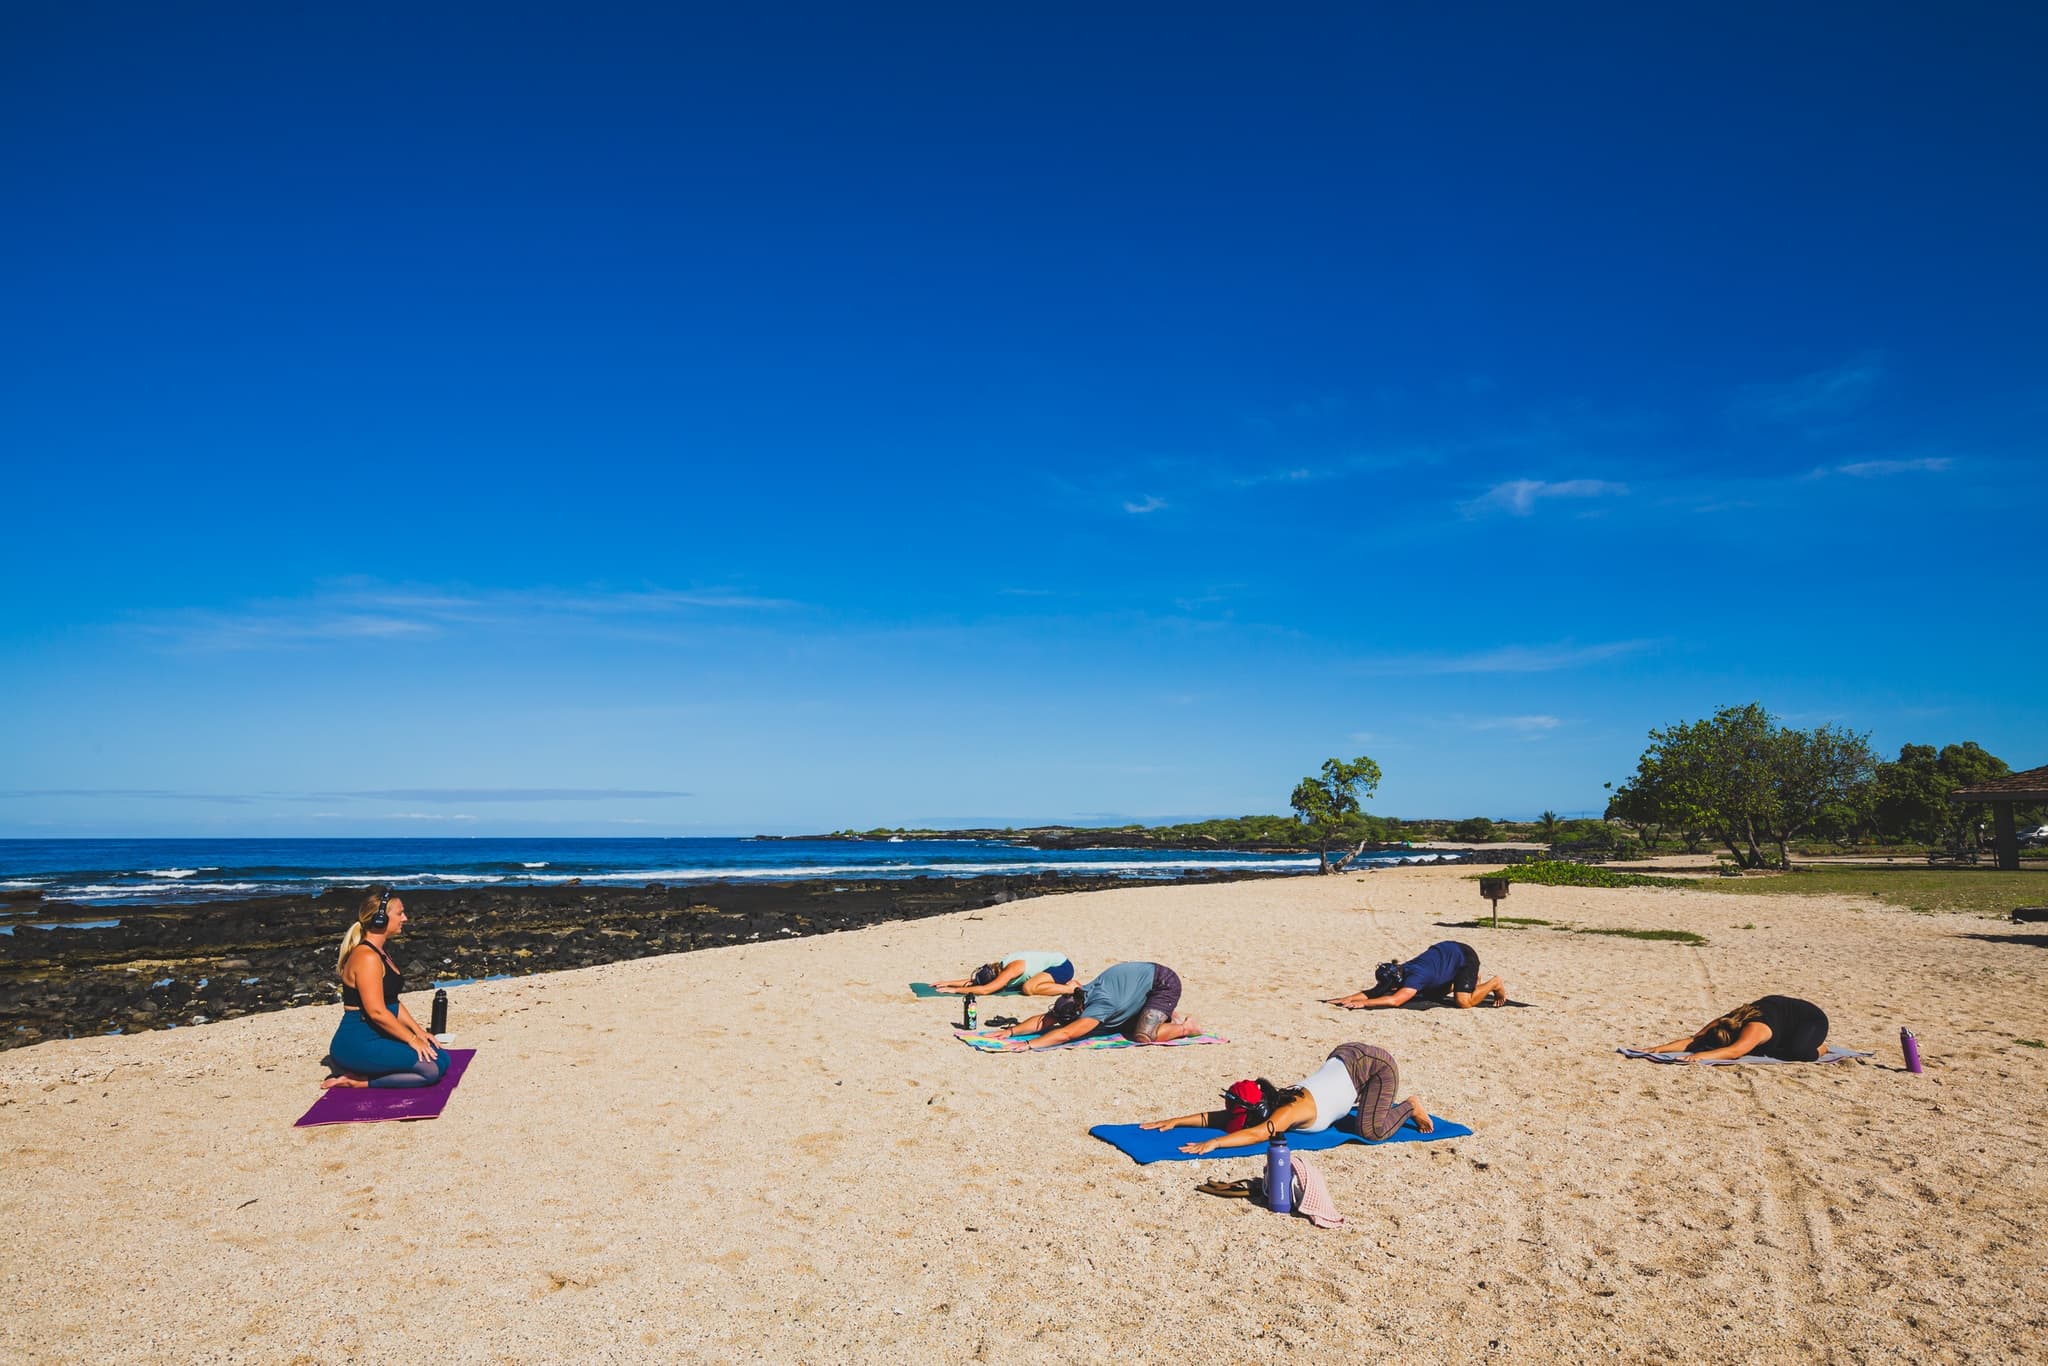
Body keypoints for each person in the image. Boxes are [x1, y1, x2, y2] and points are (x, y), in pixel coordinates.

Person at [1140, 1043, 1432, 1153]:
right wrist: (1176, 1121)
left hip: (1375, 1067)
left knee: (1371, 1131)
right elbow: (1223, 1117)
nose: (1242, 1123)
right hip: (1346, 1056)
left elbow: (1257, 1134)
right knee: (1361, 1109)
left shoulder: (1287, 1111)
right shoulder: (1273, 1098)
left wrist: (1216, 1142)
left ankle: (1410, 1105)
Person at [321, 887, 448, 1090]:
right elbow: (377, 1012)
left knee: (442, 1059)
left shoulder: (381, 953)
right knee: (430, 1070)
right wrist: (411, 1039)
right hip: (358, 1042)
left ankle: (368, 1070)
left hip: (379, 1035)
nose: (405, 918)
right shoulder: (367, 957)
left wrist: (419, 1032)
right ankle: (359, 1082)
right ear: (380, 919)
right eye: (400, 913)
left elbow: (392, 1002)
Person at [989, 961, 1199, 1051]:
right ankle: (1163, 1013)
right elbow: (1046, 1019)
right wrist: (1011, 1031)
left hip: (1162, 982)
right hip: (1136, 985)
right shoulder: (1078, 994)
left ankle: (1185, 1026)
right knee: (1120, 1023)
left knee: (1143, 1036)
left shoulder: (1100, 1006)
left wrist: (1028, 1045)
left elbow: (1066, 1034)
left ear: (1082, 1010)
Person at [1639, 996, 1830, 1063]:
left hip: (1810, 1019)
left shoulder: (1755, 1028)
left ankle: (1822, 1047)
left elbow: (1734, 1051)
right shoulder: (1722, 1022)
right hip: (1780, 1016)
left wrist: (1700, 1056)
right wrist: (1658, 1049)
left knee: (1797, 1052)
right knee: (1769, 1049)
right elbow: (1693, 1040)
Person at [1326, 939, 1506, 1010]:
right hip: (1447, 954)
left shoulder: (1414, 978)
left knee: (1463, 1002)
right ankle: (1467, 983)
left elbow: (1395, 1001)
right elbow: (1375, 991)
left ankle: (1493, 983)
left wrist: (1363, 1003)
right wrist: (1347, 998)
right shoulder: (1400, 970)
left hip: (1464, 957)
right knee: (1432, 995)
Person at [929, 950, 1080, 997]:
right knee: (1029, 985)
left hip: (1061, 966)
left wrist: (956, 990)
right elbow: (975, 982)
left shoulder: (1011, 969)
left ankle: (1071, 988)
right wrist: (948, 982)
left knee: (1028, 988)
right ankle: (1060, 984)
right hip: (1053, 966)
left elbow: (986, 989)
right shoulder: (1000, 967)